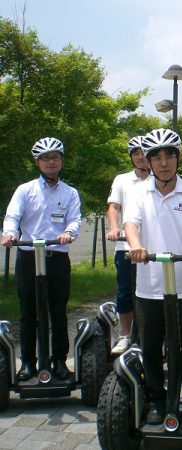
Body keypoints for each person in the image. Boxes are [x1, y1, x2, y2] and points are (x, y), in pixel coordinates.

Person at [123, 128, 182, 425]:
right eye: (157, 157)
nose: (164, 163)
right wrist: (135, 247)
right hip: (149, 287)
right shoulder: (138, 193)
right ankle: (156, 399)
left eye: (169, 156)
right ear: (148, 161)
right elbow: (131, 224)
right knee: (150, 347)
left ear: (178, 158)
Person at [2, 137, 81, 381]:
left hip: (56, 257)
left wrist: (68, 233)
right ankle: (27, 362)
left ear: (61, 161)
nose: (51, 162)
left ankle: (59, 361)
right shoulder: (25, 190)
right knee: (28, 312)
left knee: (58, 311)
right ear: (38, 162)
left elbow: (75, 219)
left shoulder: (70, 192)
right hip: (28, 256)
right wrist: (10, 233)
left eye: (55, 157)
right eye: (46, 158)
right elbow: (12, 216)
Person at [105, 136, 150, 355]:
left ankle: (153, 336)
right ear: (131, 157)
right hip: (126, 248)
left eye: (144, 152)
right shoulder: (122, 180)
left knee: (153, 294)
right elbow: (114, 206)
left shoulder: (160, 178)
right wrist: (114, 228)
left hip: (153, 249)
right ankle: (125, 335)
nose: (141, 157)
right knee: (125, 293)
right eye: (136, 153)